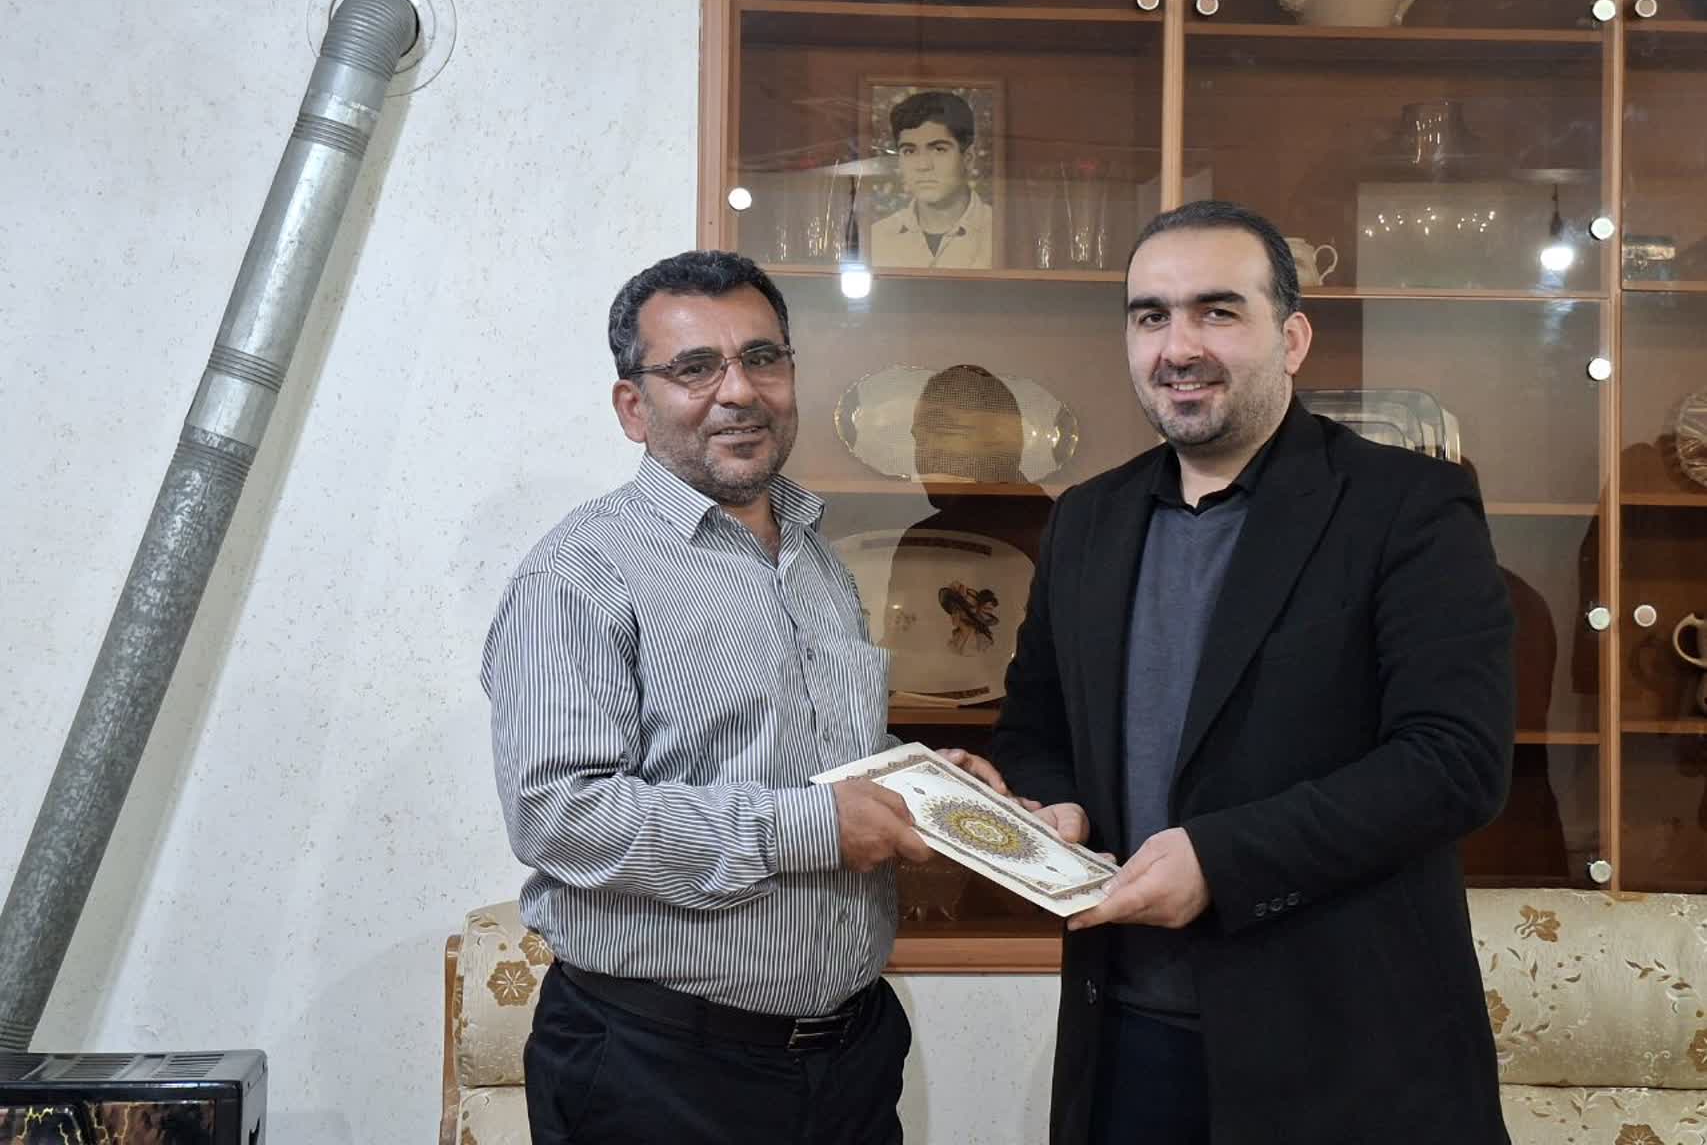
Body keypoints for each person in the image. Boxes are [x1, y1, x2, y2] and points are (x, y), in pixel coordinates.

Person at [983, 200, 1517, 1144]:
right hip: (1125, 1042)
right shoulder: (1086, 519)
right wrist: (1055, 807)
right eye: (1150, 316)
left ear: (1292, 338)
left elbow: (1453, 761)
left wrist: (1220, 862)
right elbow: (1036, 730)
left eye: (1217, 312)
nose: (1177, 347)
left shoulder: (1407, 505)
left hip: (1348, 1057)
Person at [482, 249, 936, 1145]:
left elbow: (822, 758)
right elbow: (558, 816)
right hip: (657, 1071)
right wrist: (814, 828)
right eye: (694, 368)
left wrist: (925, 782)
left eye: (762, 358)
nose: (739, 392)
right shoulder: (578, 574)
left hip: (849, 1058)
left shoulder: (815, 556)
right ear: (632, 407)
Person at [870, 91, 994, 270]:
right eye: (909, 151)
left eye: (938, 149)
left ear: (968, 158)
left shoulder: (1002, 234)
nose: (923, 166)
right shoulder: (876, 237)